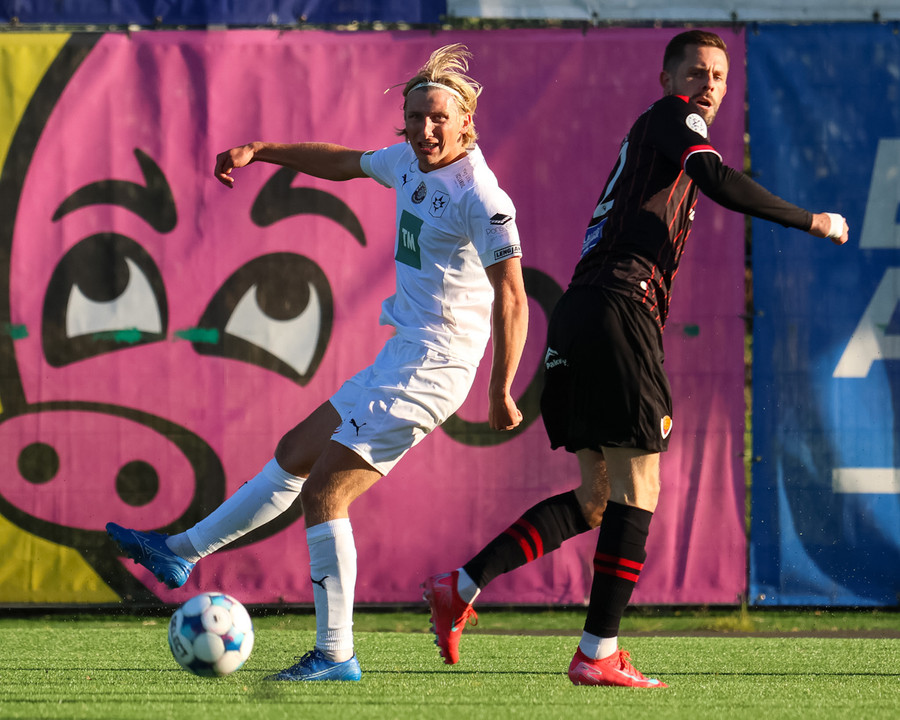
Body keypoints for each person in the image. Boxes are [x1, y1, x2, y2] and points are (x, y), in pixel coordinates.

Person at [422, 29, 849, 689]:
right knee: (639, 489)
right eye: (695, 72)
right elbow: (718, 179)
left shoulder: (656, 138)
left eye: (718, 75)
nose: (708, 85)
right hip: (620, 309)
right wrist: (810, 219)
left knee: (597, 498)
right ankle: (597, 652)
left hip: (583, 311)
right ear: (667, 80)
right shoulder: (673, 118)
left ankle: (462, 584)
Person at [106, 43, 529, 682]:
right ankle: (179, 553)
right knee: (294, 454)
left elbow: (513, 295)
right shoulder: (407, 162)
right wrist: (262, 150)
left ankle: (335, 654)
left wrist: (501, 389)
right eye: (415, 118)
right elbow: (343, 162)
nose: (425, 129)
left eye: (439, 118)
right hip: (401, 356)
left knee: (327, 492)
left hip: (435, 368)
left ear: (466, 121)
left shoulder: (482, 196)